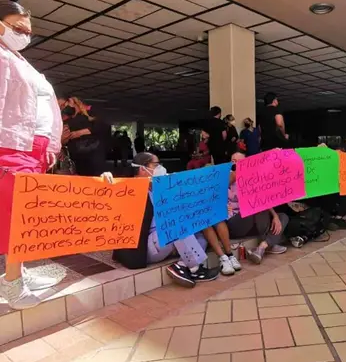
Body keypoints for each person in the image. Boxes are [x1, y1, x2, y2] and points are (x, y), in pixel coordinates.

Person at [0, 0, 63, 309]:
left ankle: (17, 272)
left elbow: (46, 108)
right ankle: (12, 283)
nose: (24, 35)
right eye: (17, 28)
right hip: (11, 146)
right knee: (18, 216)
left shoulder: (22, 62)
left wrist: (50, 145)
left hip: (33, 149)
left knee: (26, 213)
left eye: (28, 31)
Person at [110, 152, 223, 287]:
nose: (160, 169)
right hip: (144, 247)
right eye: (156, 165)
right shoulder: (129, 189)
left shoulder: (156, 188)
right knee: (176, 223)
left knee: (200, 233)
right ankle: (195, 269)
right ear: (142, 169)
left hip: (163, 240)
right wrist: (106, 181)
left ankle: (181, 266)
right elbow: (112, 196)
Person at [227, 151, 289, 263]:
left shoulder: (252, 177)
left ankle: (263, 246)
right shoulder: (227, 176)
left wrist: (275, 216)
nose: (235, 163)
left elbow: (262, 199)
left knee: (282, 217)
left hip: (253, 221)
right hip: (235, 221)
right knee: (257, 206)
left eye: (239, 161)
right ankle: (270, 244)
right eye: (233, 161)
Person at [61, 97, 106, 176]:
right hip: (75, 155)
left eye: (64, 105)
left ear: (71, 101)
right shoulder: (67, 118)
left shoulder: (90, 111)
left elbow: (100, 126)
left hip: (92, 152)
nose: (63, 108)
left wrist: (79, 133)